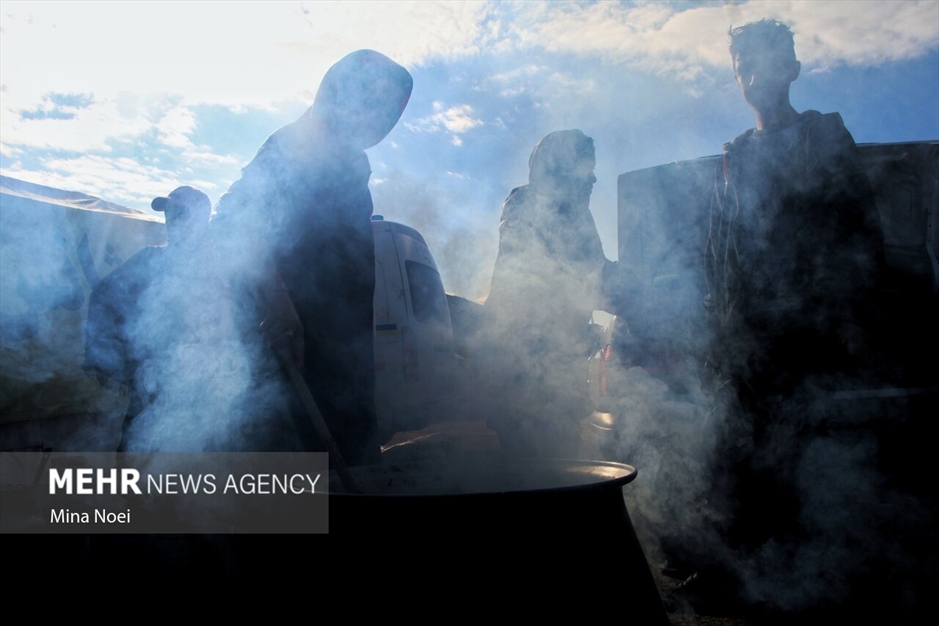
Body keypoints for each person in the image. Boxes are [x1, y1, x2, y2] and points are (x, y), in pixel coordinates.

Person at [681, 18, 887, 614]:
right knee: (731, 455)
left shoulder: (824, 137)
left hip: (809, 332)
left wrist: (850, 319)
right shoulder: (734, 155)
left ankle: (800, 587)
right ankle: (729, 577)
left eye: (765, 61)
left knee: (801, 463)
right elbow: (720, 249)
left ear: (792, 69)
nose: (752, 74)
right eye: (742, 64)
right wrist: (715, 324)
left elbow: (858, 229)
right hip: (744, 335)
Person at [210, 49, 412, 465]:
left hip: (344, 368)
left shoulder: (351, 166)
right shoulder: (294, 146)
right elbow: (233, 223)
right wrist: (275, 300)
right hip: (295, 361)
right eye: (379, 106)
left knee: (351, 472)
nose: (383, 123)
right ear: (342, 94)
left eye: (392, 114)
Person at [483, 129, 635, 458]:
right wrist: (637, 289)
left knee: (556, 461)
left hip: (552, 372)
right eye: (586, 167)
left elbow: (592, 271)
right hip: (528, 377)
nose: (594, 178)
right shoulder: (531, 205)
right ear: (558, 169)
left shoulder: (574, 214)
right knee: (539, 469)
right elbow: (581, 277)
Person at [85, 185, 237, 451]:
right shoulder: (150, 260)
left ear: (200, 220)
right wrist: (109, 361)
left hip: (205, 394)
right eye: (169, 214)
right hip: (150, 389)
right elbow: (103, 297)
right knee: (133, 464)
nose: (172, 221)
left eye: (180, 214)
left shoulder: (224, 270)